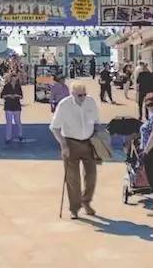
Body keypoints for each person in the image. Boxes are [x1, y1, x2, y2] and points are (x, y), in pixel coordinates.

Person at [50, 83, 101, 219]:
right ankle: (74, 208)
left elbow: (96, 122)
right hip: (70, 143)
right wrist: (63, 144)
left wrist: (98, 142)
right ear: (72, 94)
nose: (83, 97)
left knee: (91, 176)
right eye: (80, 95)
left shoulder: (90, 101)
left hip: (88, 142)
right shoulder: (64, 105)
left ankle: (86, 201)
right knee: (73, 179)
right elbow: (54, 127)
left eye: (85, 94)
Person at [1, 74, 24, 143]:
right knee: (9, 122)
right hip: (8, 105)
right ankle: (8, 137)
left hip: (16, 105)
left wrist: (17, 95)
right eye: (13, 79)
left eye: (15, 79)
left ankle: (20, 135)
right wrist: (8, 95)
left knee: (18, 121)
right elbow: (2, 95)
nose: (14, 80)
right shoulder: (7, 86)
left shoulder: (18, 86)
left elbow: (21, 96)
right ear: (11, 79)